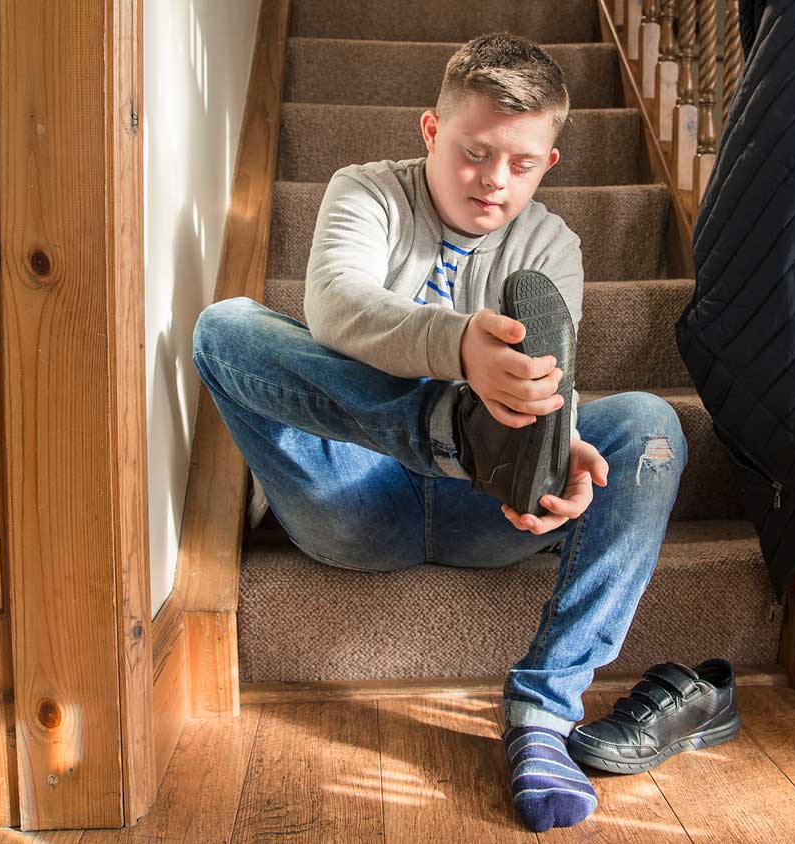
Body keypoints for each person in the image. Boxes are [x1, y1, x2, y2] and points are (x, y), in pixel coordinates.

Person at [191, 32, 686, 832]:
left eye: (521, 164)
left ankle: (544, 716)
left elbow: (551, 376)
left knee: (651, 426)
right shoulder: (366, 191)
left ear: (550, 162)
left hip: (487, 505)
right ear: (431, 130)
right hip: (350, 494)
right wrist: (459, 351)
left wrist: (560, 452)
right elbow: (336, 306)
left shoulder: (552, 245)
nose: (495, 180)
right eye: (473, 152)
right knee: (227, 329)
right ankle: (451, 430)